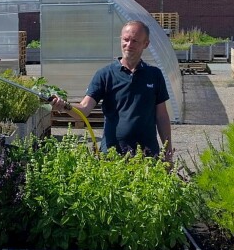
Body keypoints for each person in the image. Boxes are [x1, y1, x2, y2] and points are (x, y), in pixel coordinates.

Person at [50, 20, 173, 162]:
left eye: (135, 41)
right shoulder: (106, 74)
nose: (129, 45)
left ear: (146, 44)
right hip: (113, 154)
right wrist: (64, 106)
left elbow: (162, 116)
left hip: (148, 154)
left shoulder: (154, 75)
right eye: (126, 40)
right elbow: (84, 110)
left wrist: (167, 149)